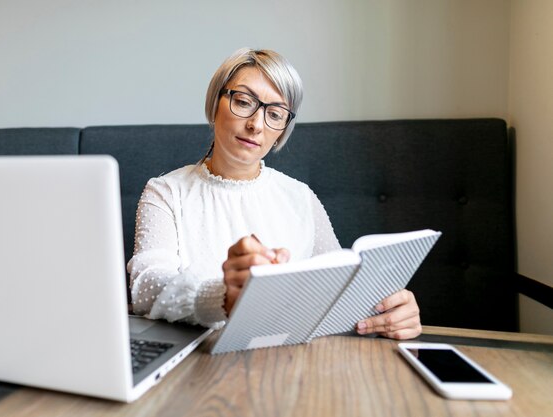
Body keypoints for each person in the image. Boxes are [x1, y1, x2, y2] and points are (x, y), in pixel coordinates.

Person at [127, 48, 421, 340]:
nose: (256, 125)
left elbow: (338, 291)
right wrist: (221, 298)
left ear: (283, 129)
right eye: (243, 102)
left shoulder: (300, 198)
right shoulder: (165, 192)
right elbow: (145, 286)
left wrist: (387, 311)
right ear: (215, 102)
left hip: (289, 364)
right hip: (195, 367)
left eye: (275, 114)